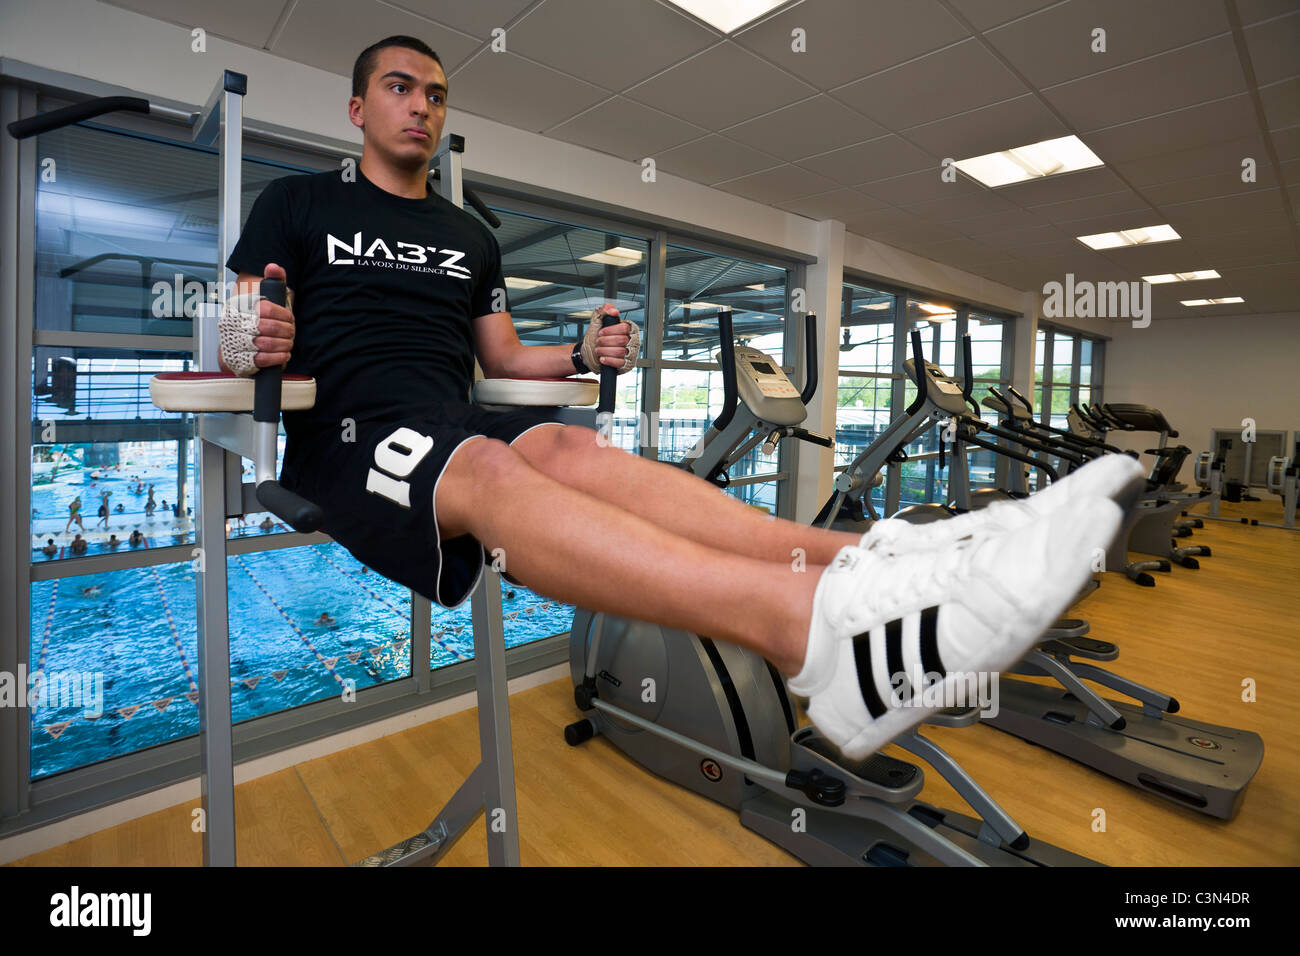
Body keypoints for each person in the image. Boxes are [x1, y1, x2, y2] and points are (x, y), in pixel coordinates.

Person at [218, 35, 1134, 761]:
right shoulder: (298, 204)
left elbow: (499, 354)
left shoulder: (466, 234)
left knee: (578, 451)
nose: (421, 104)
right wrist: (250, 340)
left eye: (436, 93)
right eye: (400, 86)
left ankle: (873, 559)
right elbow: (226, 333)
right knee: (493, 465)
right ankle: (803, 633)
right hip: (350, 433)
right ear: (357, 107)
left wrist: (577, 349)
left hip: (451, 413)